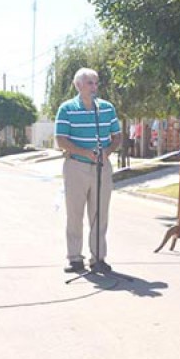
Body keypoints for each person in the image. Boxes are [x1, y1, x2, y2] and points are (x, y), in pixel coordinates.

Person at [55, 68, 122, 274]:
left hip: (102, 167)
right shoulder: (67, 109)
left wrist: (107, 152)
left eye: (96, 83)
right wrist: (85, 153)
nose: (94, 87)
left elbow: (117, 136)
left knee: (100, 214)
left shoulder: (106, 108)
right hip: (76, 166)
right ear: (78, 85)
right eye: (90, 83)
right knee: (75, 214)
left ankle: (98, 258)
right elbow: (61, 139)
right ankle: (75, 258)